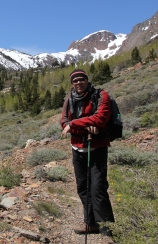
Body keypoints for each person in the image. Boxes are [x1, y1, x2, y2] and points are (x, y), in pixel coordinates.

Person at [60, 69, 115, 239]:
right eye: (75, 80)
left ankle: (107, 231)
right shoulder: (69, 99)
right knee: (83, 188)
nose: (78, 83)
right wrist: (82, 126)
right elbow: (63, 122)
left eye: (81, 79)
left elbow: (100, 119)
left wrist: (74, 124)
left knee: (98, 188)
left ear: (87, 80)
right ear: (72, 83)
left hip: (96, 148)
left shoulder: (101, 95)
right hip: (77, 148)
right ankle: (90, 222)